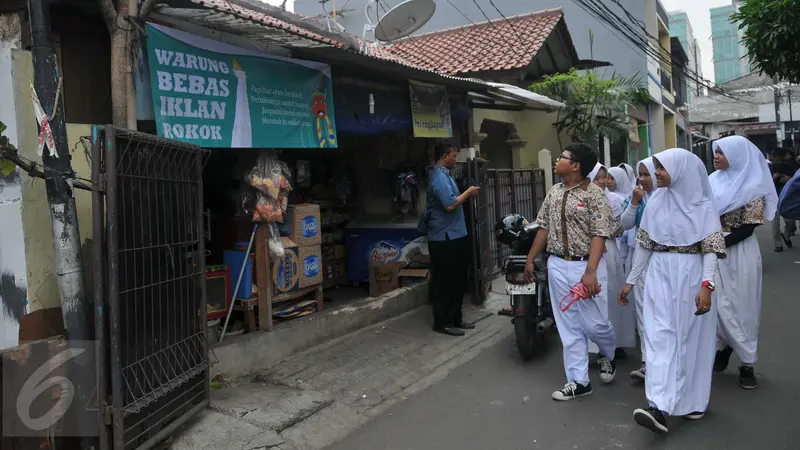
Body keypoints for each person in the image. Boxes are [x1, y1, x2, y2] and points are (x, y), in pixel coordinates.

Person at [619, 149, 725, 434]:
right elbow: (644, 245)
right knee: (658, 337)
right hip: (659, 275)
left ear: (679, 171)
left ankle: (692, 400)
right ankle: (658, 405)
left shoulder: (702, 206)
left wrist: (707, 287)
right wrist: (631, 281)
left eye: (661, 168)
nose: (657, 174)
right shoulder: (656, 203)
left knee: (690, 340)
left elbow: (711, 252)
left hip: (691, 275)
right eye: (655, 168)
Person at [524, 143, 617, 401]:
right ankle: (579, 381)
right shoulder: (554, 192)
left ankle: (608, 352)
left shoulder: (594, 194)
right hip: (557, 265)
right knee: (569, 326)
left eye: (562, 157)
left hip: (586, 266)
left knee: (596, 323)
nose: (557, 160)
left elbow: (600, 234)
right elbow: (543, 227)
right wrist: (531, 258)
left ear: (575, 165)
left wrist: (591, 271)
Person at [709, 136, 777, 390]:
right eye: (715, 152)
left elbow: (748, 228)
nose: (716, 156)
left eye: (721, 153)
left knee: (743, 306)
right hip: (714, 252)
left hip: (740, 254)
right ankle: (723, 347)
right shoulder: (711, 182)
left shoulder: (752, 187)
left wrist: (716, 243)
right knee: (716, 304)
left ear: (736, 156)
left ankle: (747, 364)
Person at [425, 140, 480, 336]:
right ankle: (443, 322)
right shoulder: (438, 177)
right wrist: (468, 193)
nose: (455, 159)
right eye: (454, 156)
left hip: (455, 234)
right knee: (444, 281)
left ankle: (455, 318)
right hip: (443, 237)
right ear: (444, 156)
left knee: (457, 280)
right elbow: (449, 205)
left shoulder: (446, 176)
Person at [587, 164, 637, 359]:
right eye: (597, 178)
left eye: (604, 177)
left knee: (610, 297)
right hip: (589, 253)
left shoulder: (615, 200)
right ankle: (594, 344)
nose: (602, 182)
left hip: (609, 251)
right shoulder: (582, 199)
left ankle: (615, 342)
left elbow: (622, 226)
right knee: (592, 298)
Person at [618, 157, 657, 381]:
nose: (642, 179)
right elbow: (625, 224)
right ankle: (646, 362)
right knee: (643, 310)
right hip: (641, 257)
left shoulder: (668, 197)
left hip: (664, 261)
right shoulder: (637, 197)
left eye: (647, 174)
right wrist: (634, 202)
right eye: (640, 174)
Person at [769, 148, 796, 251]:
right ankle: (778, 245)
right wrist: (773, 178)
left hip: (786, 197)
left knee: (790, 221)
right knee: (775, 224)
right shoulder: (769, 168)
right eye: (777, 158)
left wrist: (789, 179)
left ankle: (786, 235)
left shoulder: (790, 167)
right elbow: (763, 184)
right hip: (773, 198)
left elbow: (796, 181)